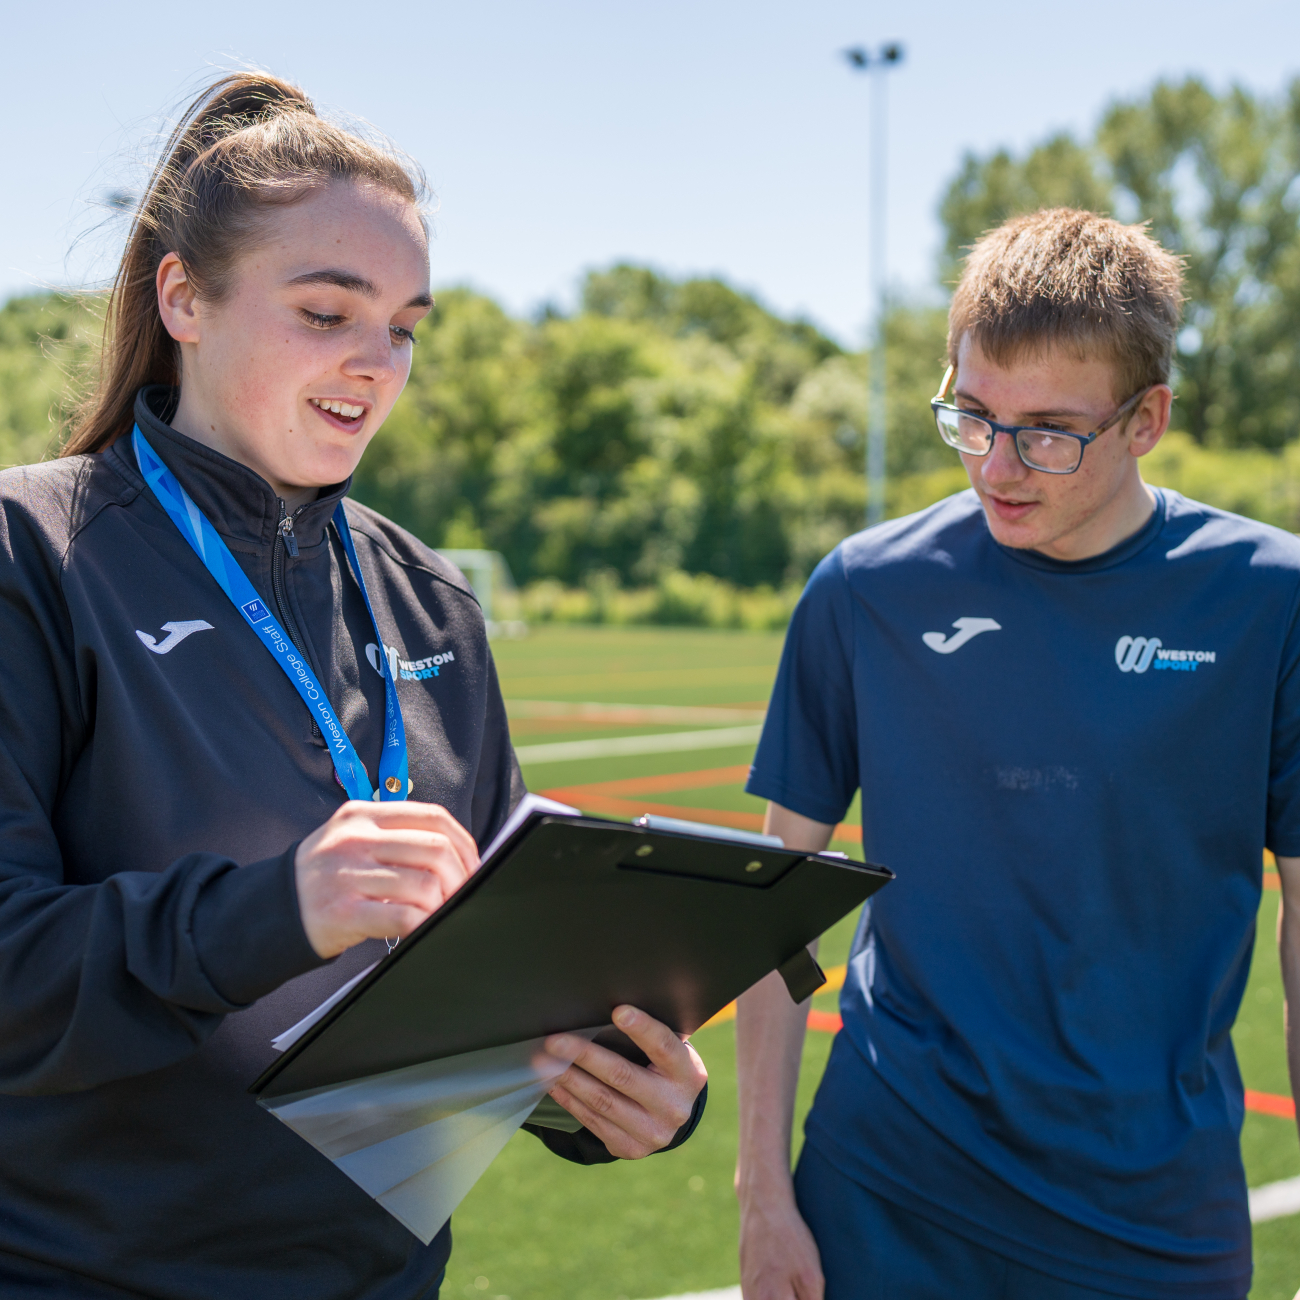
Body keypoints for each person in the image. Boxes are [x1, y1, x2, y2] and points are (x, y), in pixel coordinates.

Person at [0, 72, 706, 1300]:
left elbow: (494, 977)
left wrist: (609, 1090)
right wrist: (280, 909)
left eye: (404, 325)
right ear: (184, 298)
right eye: (327, 311)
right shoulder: (34, 553)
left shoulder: (429, 596)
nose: (376, 362)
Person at [735, 208, 1300, 1300]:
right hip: (885, 1181)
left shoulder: (1270, 602)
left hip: (1153, 1208)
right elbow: (775, 908)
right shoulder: (864, 590)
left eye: (1047, 430)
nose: (997, 465)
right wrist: (763, 1194)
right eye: (971, 414)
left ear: (1147, 420)